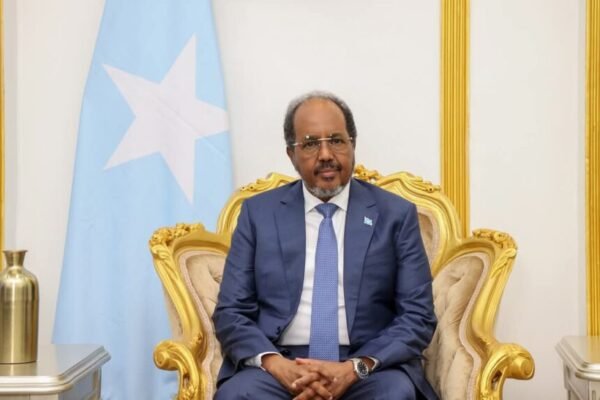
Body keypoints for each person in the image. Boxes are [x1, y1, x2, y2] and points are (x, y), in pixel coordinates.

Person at [213, 91, 438, 400]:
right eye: (310, 144)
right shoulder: (259, 215)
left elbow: (417, 315)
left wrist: (355, 368)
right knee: (238, 395)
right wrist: (276, 365)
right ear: (291, 154)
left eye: (336, 140)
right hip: (281, 364)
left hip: (366, 367)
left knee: (395, 394)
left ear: (353, 145)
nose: (326, 155)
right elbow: (231, 311)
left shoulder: (395, 215)